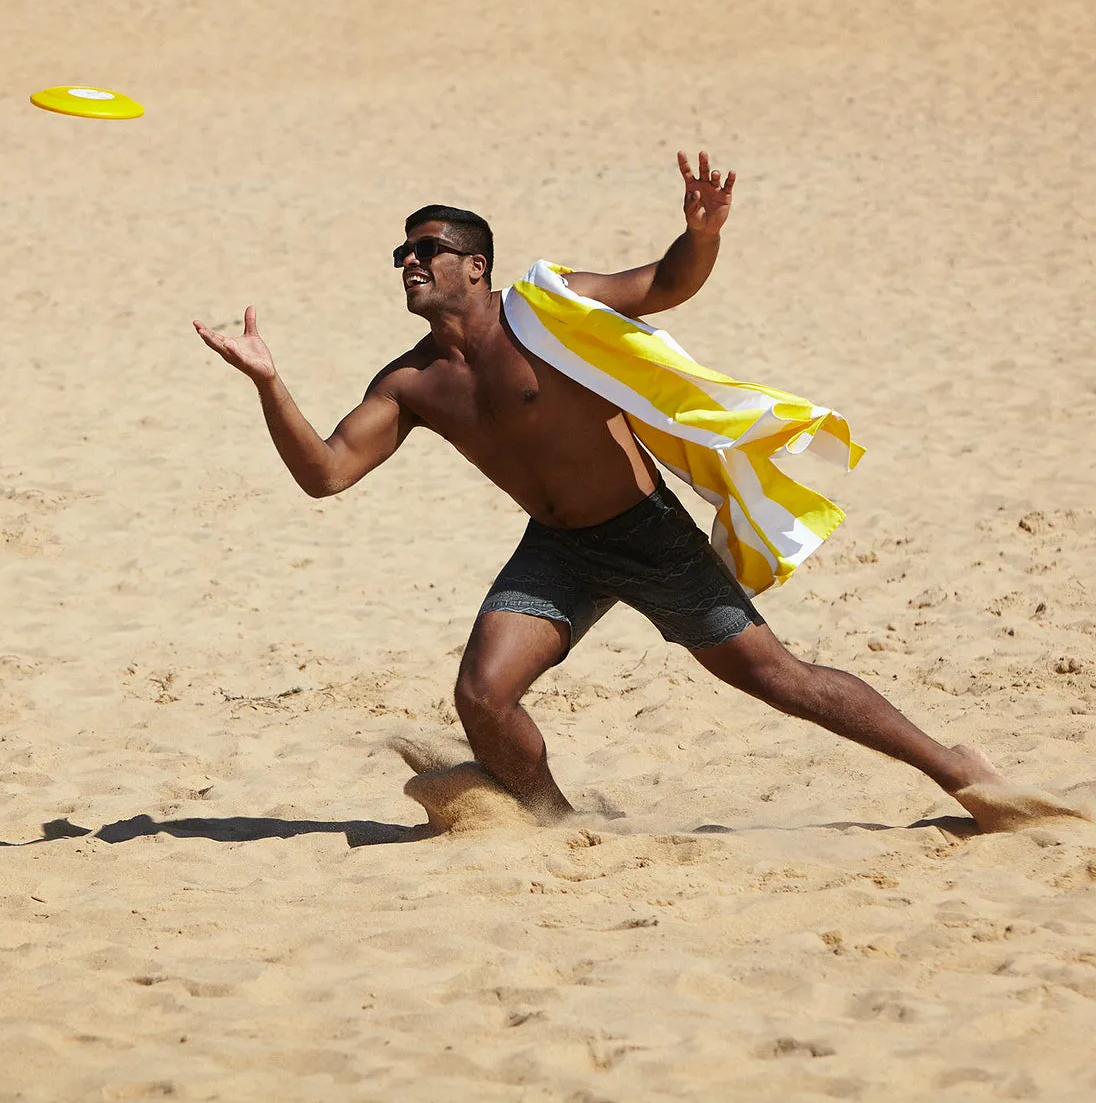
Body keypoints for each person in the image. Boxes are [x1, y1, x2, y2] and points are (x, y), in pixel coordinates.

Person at [194, 150, 1010, 827]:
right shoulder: (412, 383)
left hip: (645, 531)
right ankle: (553, 825)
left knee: (777, 678)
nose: (410, 261)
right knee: (483, 696)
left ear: (475, 267)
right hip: (557, 549)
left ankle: (956, 770)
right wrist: (269, 384)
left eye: (428, 249)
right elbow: (326, 473)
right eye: (402, 253)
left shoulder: (550, 309)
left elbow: (664, 284)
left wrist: (700, 233)